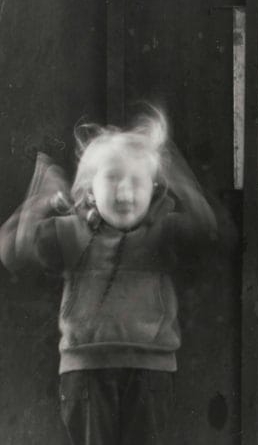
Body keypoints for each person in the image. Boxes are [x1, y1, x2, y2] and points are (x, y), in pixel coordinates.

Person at [0, 105, 217, 444]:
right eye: (112, 177)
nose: (125, 192)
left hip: (151, 371)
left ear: (156, 187)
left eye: (137, 180)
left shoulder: (162, 232)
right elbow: (14, 254)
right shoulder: (72, 232)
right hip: (85, 372)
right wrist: (38, 200)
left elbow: (206, 230)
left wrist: (179, 177)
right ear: (89, 187)